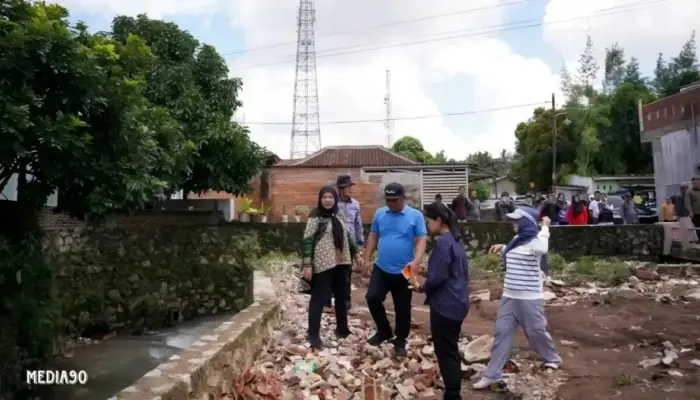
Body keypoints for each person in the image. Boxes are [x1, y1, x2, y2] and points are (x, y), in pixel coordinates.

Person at [473, 208, 561, 390]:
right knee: (501, 334)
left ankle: (552, 359)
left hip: (529, 298)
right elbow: (519, 249)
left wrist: (545, 227)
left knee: (536, 332)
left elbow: (542, 247)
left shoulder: (537, 242)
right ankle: (492, 374)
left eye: (516, 220)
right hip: (509, 297)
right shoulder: (516, 240)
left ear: (526, 223)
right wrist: (504, 247)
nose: (513, 223)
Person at [364, 182, 427, 357]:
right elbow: (373, 235)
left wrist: (417, 261)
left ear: (403, 198)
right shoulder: (380, 213)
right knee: (372, 297)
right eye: (389, 200)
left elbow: (421, 239)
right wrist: (367, 258)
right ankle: (384, 330)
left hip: (405, 269)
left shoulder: (415, 215)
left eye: (395, 200)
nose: (391, 203)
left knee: (402, 307)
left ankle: (400, 339)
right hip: (381, 266)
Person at [415, 202, 469, 400]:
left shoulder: (442, 243)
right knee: (451, 349)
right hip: (459, 301)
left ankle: (453, 394)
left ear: (438, 220)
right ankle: (453, 389)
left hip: (445, 304)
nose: (428, 225)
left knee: (445, 351)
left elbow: (437, 276)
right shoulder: (455, 240)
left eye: (429, 221)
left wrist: (421, 286)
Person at [301, 186, 363, 349]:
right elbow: (307, 239)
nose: (328, 200)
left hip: (342, 262)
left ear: (335, 199)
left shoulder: (339, 214)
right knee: (318, 300)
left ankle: (342, 330)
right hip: (323, 264)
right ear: (320, 199)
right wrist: (307, 264)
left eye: (331, 197)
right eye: (324, 197)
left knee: (342, 298)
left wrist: (356, 254)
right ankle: (313, 335)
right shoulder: (315, 216)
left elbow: (348, 236)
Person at [334, 175, 364, 312]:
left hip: (350, 244)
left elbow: (358, 225)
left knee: (347, 273)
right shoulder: (333, 203)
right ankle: (332, 301)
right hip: (335, 243)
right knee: (333, 271)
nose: (350, 189)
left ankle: (346, 303)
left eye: (351, 186)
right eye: (347, 187)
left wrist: (360, 245)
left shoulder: (355, 204)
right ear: (340, 189)